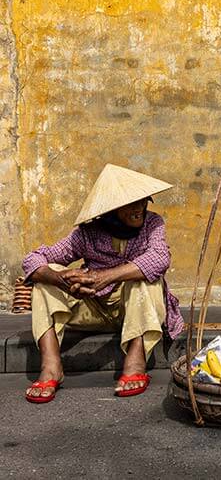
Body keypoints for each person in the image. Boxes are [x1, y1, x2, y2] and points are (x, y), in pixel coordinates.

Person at [22, 164, 183, 402]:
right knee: (45, 275)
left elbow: (159, 259)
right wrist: (61, 279)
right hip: (91, 309)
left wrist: (104, 277)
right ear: (110, 210)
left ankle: (136, 362)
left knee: (145, 278)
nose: (139, 208)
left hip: (132, 311)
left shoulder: (153, 224)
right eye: (129, 204)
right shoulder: (86, 233)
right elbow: (32, 259)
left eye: (142, 201)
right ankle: (51, 365)